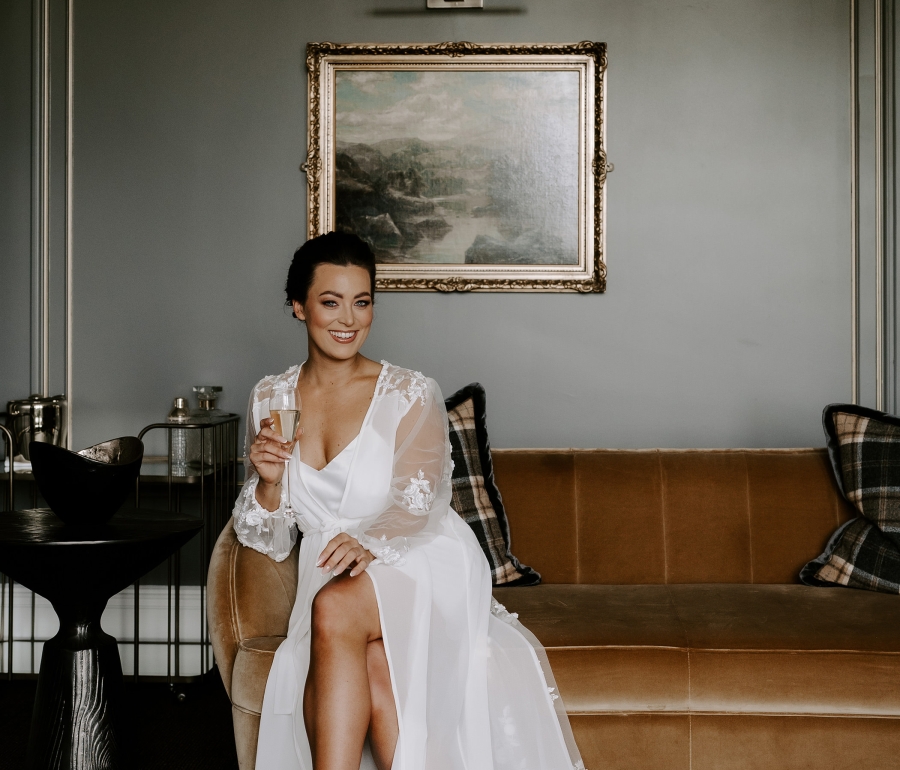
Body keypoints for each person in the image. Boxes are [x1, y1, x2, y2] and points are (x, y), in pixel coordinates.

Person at [232, 231, 584, 770]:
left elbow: (420, 504)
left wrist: (371, 541)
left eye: (363, 301)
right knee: (373, 669)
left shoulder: (409, 392)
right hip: (333, 566)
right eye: (330, 302)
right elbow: (271, 538)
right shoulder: (271, 398)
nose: (349, 318)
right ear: (299, 307)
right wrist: (269, 482)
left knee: (334, 606)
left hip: (417, 556)